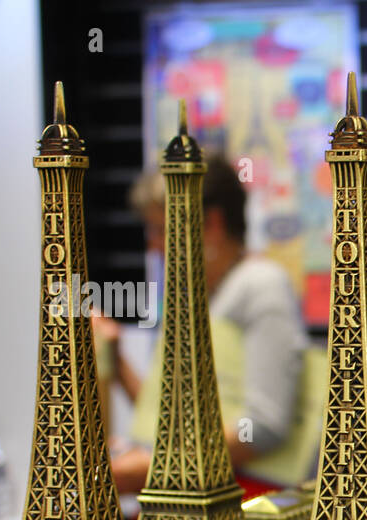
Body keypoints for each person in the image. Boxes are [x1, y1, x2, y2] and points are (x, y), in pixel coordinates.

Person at [98, 154, 310, 496]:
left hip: (238, 501)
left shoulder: (259, 285)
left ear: (211, 223)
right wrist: (117, 359)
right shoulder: (193, 296)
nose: (153, 245)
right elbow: (166, 419)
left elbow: (262, 427)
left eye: (160, 229)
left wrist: (152, 468)